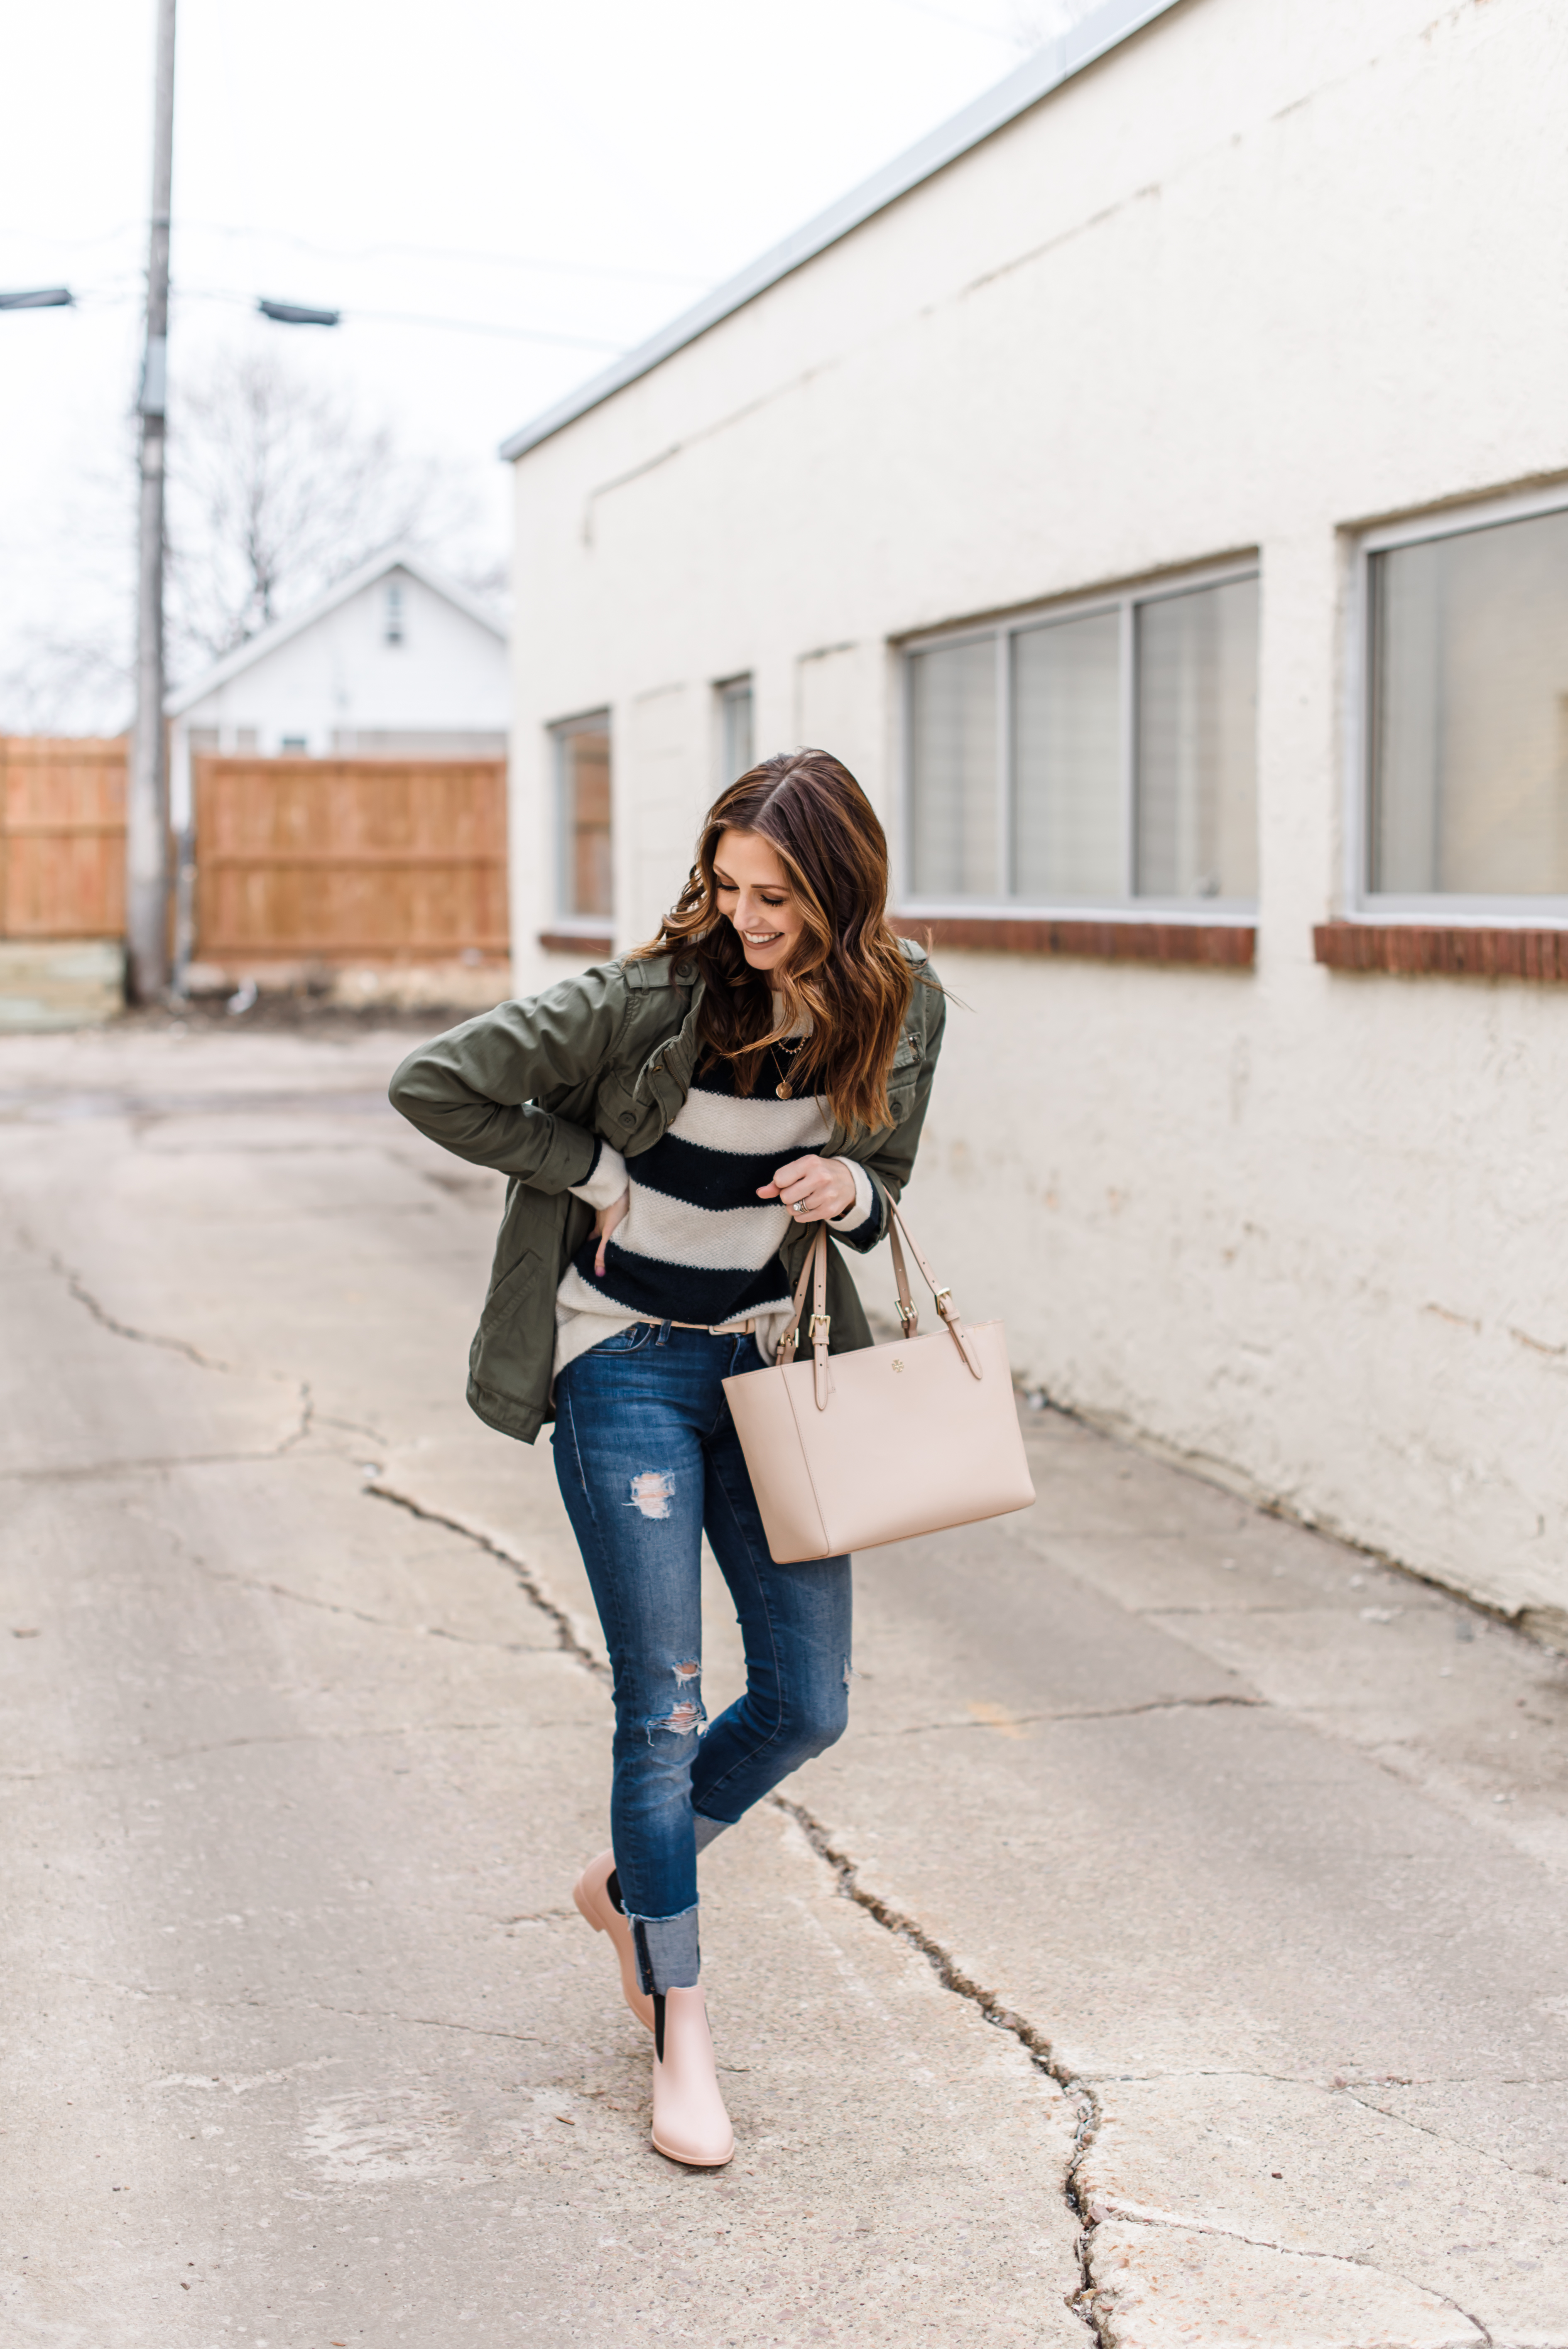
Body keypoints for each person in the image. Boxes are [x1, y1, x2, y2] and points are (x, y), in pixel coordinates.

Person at [389, 748, 945, 2167]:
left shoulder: (903, 1002)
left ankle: (630, 1881)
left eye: (776, 895)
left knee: (809, 1702)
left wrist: (854, 1191)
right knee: (663, 1701)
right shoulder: (647, 999)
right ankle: (679, 2025)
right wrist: (592, 1173)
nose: (743, 916)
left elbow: (891, 1176)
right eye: (727, 884)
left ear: (843, 889)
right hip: (623, 1367)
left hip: (773, 1372)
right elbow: (433, 1081)